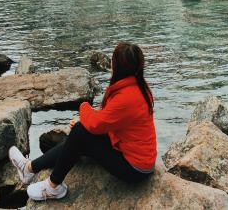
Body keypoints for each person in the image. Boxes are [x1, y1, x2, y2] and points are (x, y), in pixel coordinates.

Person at [9, 42, 157, 201]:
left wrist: (84, 107)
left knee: (80, 132)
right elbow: (108, 119)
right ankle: (29, 168)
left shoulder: (127, 96)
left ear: (117, 66)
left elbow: (95, 124)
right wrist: (86, 121)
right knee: (79, 134)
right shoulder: (139, 86)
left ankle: (53, 186)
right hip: (127, 151)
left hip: (134, 169)